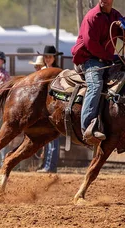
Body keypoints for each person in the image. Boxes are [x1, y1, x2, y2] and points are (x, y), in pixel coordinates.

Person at [72, 0, 124, 143]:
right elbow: (90, 44)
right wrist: (109, 57)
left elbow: (123, 35)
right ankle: (88, 127)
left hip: (106, 59)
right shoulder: (92, 16)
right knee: (95, 85)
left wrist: (123, 28)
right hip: (89, 59)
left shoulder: (115, 16)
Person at [37, 45, 62, 173]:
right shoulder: (44, 71)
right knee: (46, 138)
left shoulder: (57, 72)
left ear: (54, 58)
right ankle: (46, 165)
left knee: (52, 138)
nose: (47, 59)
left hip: (52, 106)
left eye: (50, 57)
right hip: (43, 108)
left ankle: (50, 166)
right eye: (46, 57)